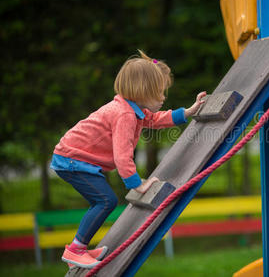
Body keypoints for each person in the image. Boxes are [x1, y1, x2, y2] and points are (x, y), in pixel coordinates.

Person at [50, 50, 206, 268]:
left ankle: (79, 249)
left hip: (75, 158)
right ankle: (75, 249)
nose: (163, 98)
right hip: (72, 159)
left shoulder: (133, 110)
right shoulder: (124, 115)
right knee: (105, 200)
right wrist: (137, 185)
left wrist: (189, 111)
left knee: (103, 200)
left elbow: (157, 119)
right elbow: (122, 156)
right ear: (142, 91)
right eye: (159, 93)